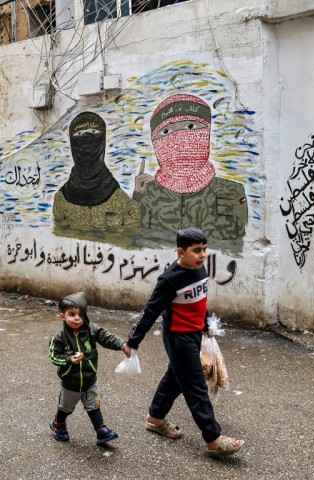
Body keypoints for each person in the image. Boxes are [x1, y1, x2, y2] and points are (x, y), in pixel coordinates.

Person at [122, 226, 245, 457]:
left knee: (176, 379)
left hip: (195, 334)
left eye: (205, 249)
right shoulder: (169, 280)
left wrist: (208, 325)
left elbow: (200, 300)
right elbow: (149, 311)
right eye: (196, 250)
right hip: (179, 338)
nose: (202, 255)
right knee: (196, 386)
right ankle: (214, 439)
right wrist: (133, 341)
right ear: (180, 251)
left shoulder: (200, 270)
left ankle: (155, 418)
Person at [133, 94, 248, 253]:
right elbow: (133, 240)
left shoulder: (231, 192)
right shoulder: (149, 193)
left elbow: (239, 248)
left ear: (206, 133)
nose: (179, 137)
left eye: (191, 126)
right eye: (166, 131)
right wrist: (137, 196)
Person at [48, 291, 129, 446]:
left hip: (90, 378)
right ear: (63, 316)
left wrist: (121, 344)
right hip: (70, 382)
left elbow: (106, 337)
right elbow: (53, 356)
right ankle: (58, 424)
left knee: (93, 405)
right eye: (72, 314)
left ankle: (101, 431)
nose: (77, 318)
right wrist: (69, 359)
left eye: (80, 314)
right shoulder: (59, 337)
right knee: (66, 407)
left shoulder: (91, 329)